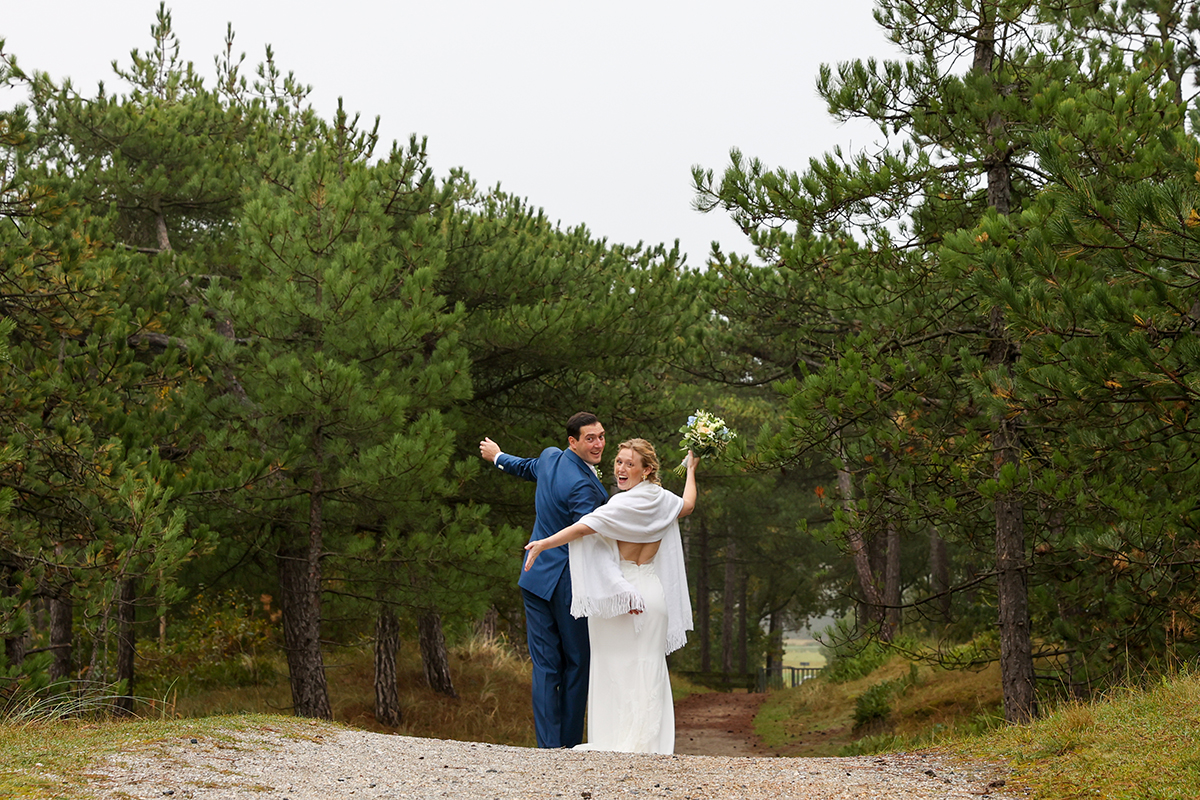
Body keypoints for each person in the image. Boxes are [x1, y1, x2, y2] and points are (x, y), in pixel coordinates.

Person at [522, 438, 697, 754]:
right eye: (619, 462)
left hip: (621, 597)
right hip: (653, 595)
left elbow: (582, 528)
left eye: (630, 464)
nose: (621, 468)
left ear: (646, 471)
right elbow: (688, 504)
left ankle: (618, 742)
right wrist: (692, 471)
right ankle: (651, 743)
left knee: (614, 669)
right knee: (649, 667)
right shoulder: (662, 500)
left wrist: (545, 543)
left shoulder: (621, 506)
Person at [479, 412, 608, 749]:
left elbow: (525, 466)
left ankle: (548, 746)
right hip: (569, 584)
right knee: (577, 663)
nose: (598, 444)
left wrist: (498, 457)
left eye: (602, 436)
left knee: (546, 665)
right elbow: (589, 532)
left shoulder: (551, 457)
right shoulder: (583, 486)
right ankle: (566, 744)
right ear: (573, 441)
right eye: (590, 438)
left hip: (534, 576)